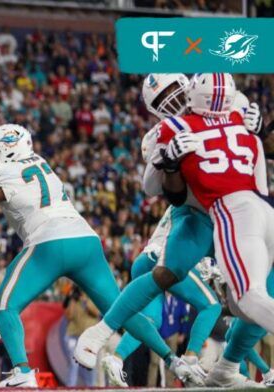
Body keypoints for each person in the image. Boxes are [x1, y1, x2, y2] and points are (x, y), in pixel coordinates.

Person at [0, 124, 199, 387]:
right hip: (86, 242)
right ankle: (174, 360)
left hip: (50, 242)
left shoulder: (7, 173)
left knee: (4, 306)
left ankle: (23, 373)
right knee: (121, 310)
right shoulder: (39, 163)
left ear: (9, 151)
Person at [74, 72, 263, 380]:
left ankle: (230, 367)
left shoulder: (233, 104)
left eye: (173, 91)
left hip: (237, 211)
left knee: (253, 290)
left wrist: (260, 130)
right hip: (197, 216)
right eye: (162, 100)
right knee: (183, 286)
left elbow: (265, 150)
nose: (171, 101)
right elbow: (150, 187)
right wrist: (166, 159)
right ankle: (102, 336)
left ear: (188, 85)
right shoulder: (162, 132)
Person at [100, 74, 226, 387]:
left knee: (152, 320)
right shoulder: (187, 197)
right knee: (211, 305)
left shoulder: (182, 194)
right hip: (162, 257)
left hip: (148, 257)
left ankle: (115, 357)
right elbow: (152, 185)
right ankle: (193, 360)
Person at [150, 72, 271, 387]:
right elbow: (262, 174)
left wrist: (169, 164)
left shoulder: (174, 128)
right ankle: (226, 369)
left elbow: (165, 192)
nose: (173, 101)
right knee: (247, 301)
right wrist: (260, 133)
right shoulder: (242, 116)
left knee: (247, 299)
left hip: (230, 212)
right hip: (263, 208)